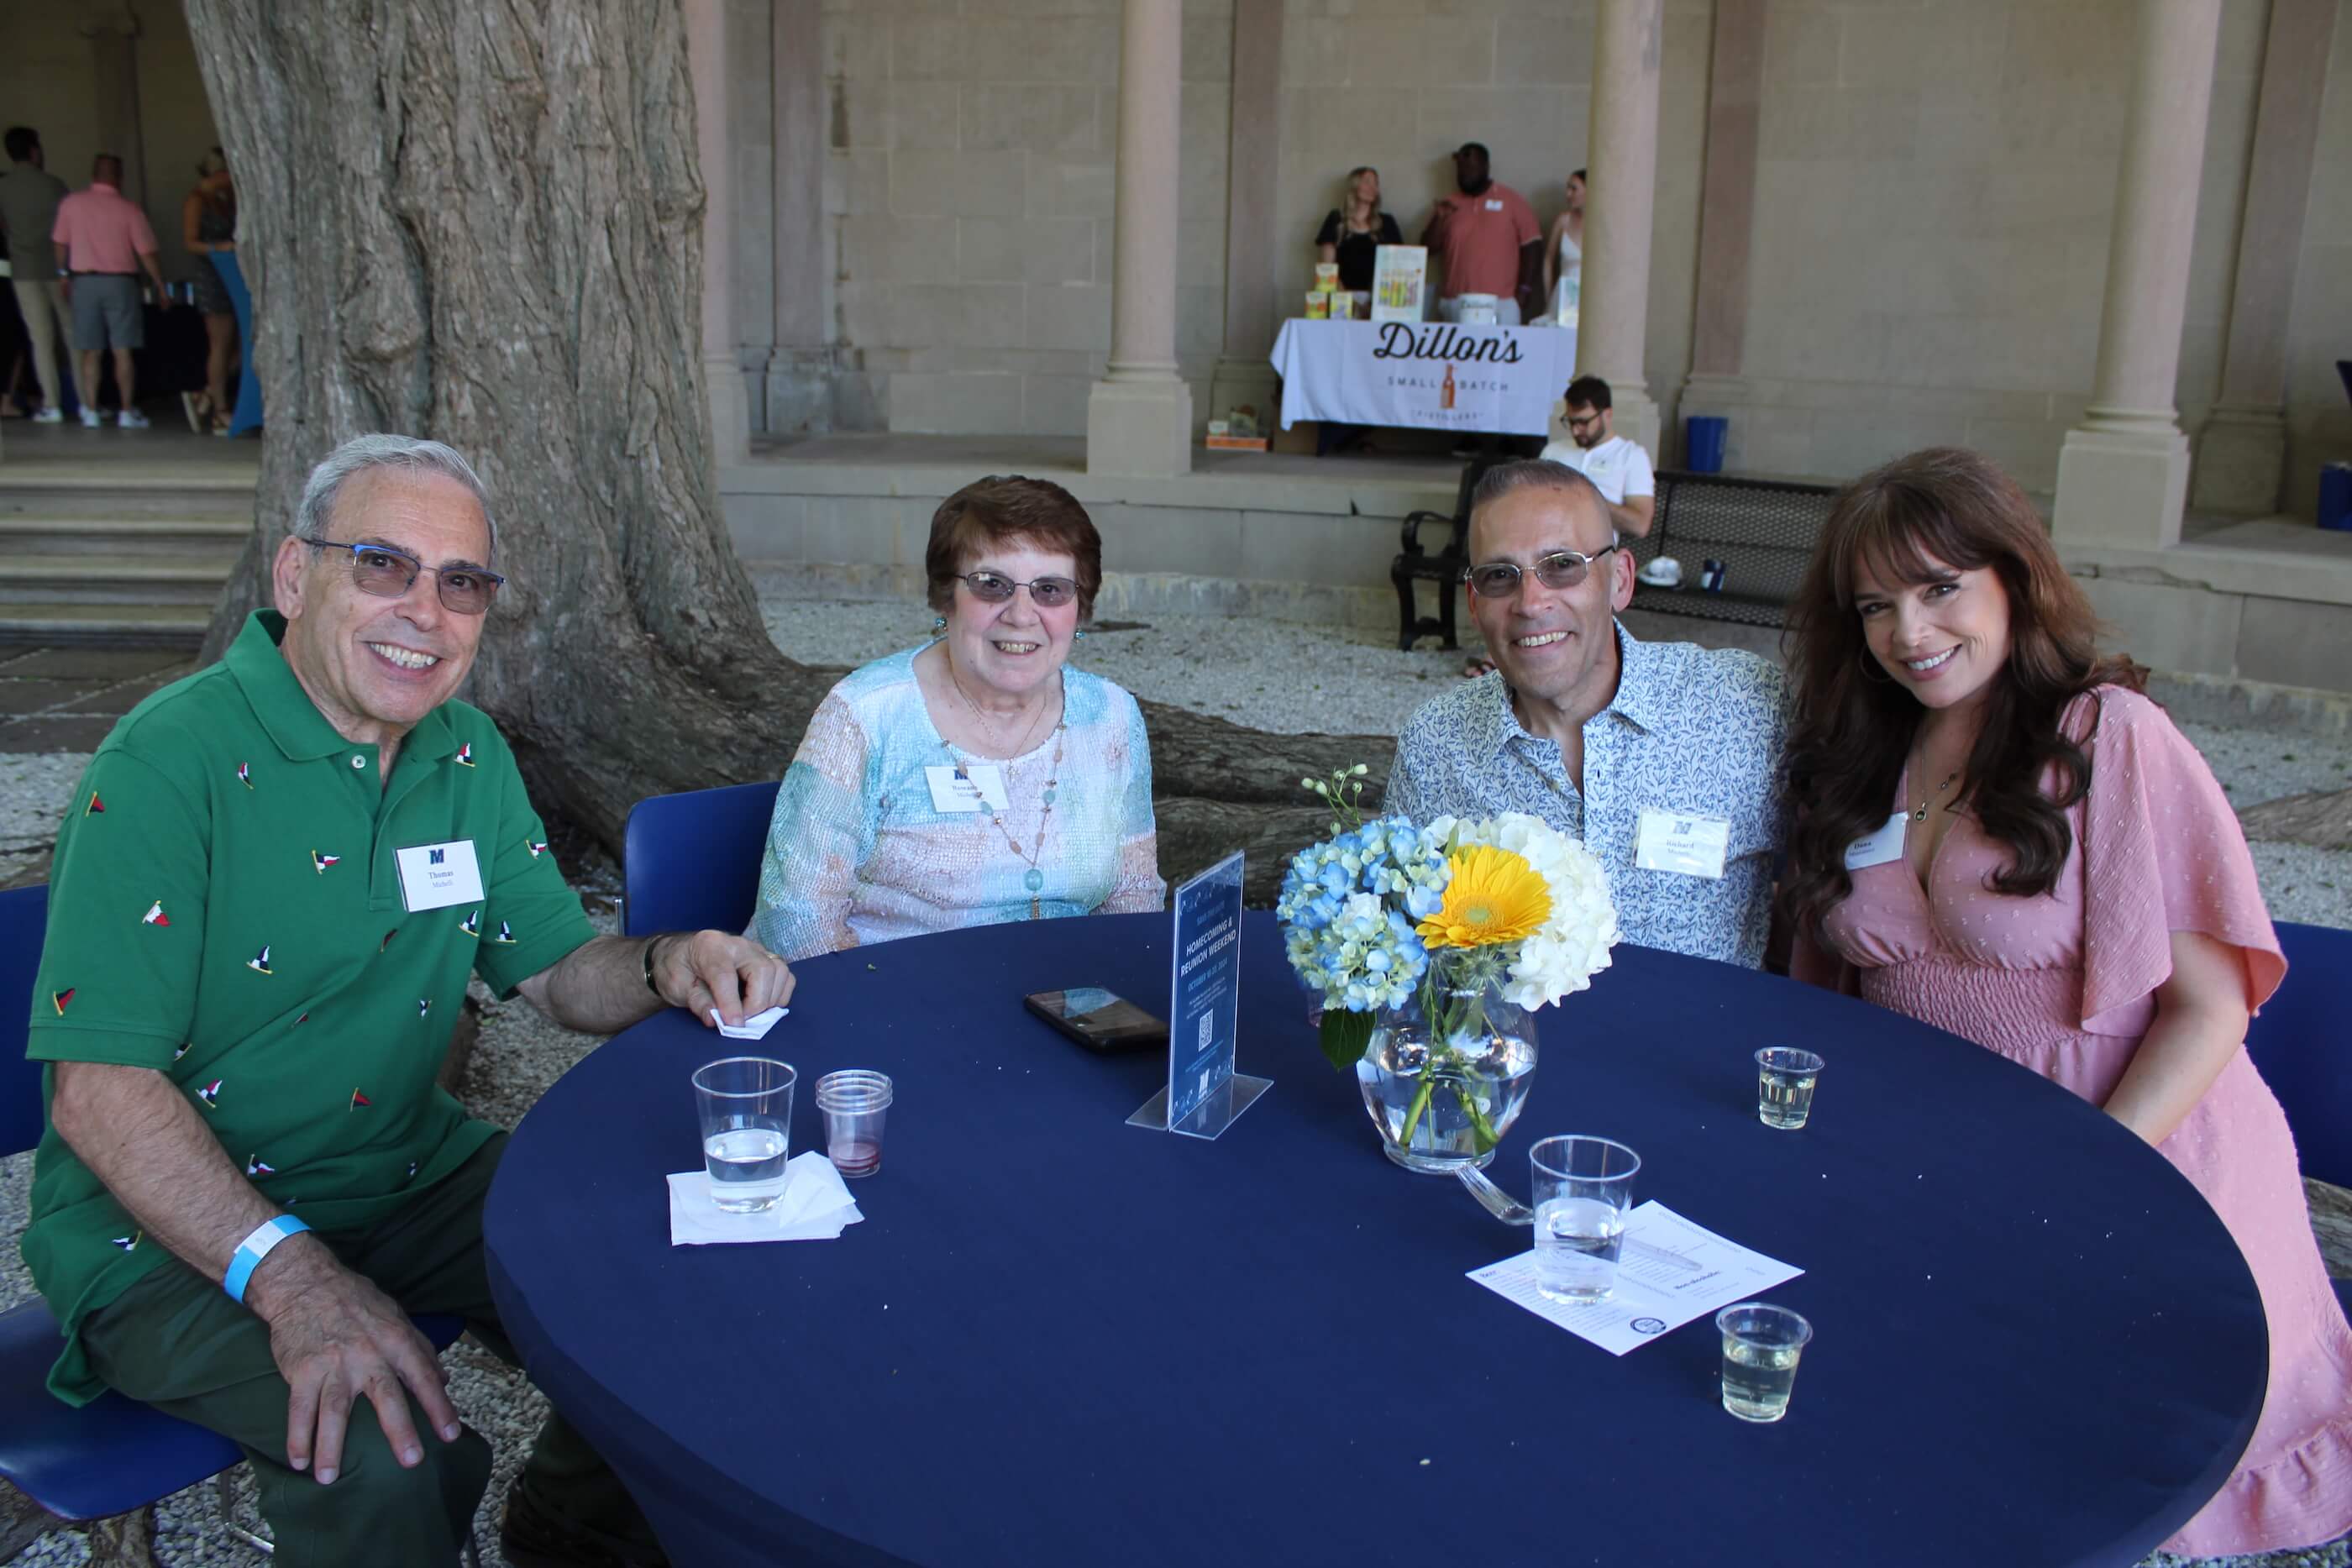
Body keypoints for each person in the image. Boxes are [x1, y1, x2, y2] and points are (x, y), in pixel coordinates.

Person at [24, 433, 797, 1566]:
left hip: (401, 1169)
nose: (424, 611)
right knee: (380, 1444)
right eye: (383, 564)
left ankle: (573, 1531)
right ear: (296, 575)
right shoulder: (167, 761)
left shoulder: (465, 751)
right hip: (164, 1227)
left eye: (462, 582)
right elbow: (98, 1089)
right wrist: (293, 1277)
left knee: (667, 1282)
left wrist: (665, 960)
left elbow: (552, 968)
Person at [1779, 447, 2352, 1558]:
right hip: (1941, 1162)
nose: (1909, 630)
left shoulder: (2107, 737)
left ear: (2014, 576)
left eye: (1940, 586)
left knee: (2092, 1474)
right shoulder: (1864, 746)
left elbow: (2210, 1006)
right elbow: (1827, 989)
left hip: (2134, 1147)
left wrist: (2090, 1170)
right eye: (1876, 605)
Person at [1386, 459, 1787, 967]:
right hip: (1518, 1046)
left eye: (1562, 565)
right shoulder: (1436, 743)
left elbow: (1827, 895)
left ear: (1620, 580)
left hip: (1697, 1042)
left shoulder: (1740, 707)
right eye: (1499, 576)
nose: (1531, 603)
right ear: (1473, 601)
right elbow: (1409, 945)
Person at [753, 475, 1165, 960]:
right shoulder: (865, 716)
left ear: (1080, 607)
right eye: (992, 585)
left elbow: (1133, 901)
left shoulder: (1112, 718)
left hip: (1062, 1007)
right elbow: (797, 925)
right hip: (889, 1006)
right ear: (946, 598)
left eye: (1050, 590)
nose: (1022, 614)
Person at [50, 153, 171, 428]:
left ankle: (91, 410)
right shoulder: (129, 209)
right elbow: (147, 252)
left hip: (84, 282)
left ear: (93, 174)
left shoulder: (71, 204)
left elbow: (59, 243)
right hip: (121, 283)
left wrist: (62, 275)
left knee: (90, 351)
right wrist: (161, 285)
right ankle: (127, 412)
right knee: (122, 350)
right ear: (119, 177)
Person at [1420, 143, 1541, 326]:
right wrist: (1439, 219)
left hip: (1501, 304)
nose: (1464, 173)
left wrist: (1524, 291)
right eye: (1460, 168)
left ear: (1486, 167)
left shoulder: (1511, 200)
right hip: (1456, 303)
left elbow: (1532, 245)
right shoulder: (1449, 204)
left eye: (1470, 167)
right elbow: (1427, 249)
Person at [0, 125, 72, 422]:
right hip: (57, 269)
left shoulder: (4, 187)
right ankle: (88, 403)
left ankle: (51, 405)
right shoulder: (55, 185)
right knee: (72, 336)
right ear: (34, 151)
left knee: (38, 339)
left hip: (22, 270)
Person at [1538, 375, 1653, 539]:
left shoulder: (1631, 455)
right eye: (1571, 422)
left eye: (1583, 422)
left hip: (1596, 555)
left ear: (1607, 414)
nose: (1575, 430)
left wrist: (1582, 499)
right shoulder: (1553, 451)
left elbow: (1639, 525)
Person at [179, 147, 238, 435]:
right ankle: (219, 410)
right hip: (211, 277)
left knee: (239, 347)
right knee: (220, 343)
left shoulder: (224, 200)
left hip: (233, 279)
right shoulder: (197, 201)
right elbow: (190, 242)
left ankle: (206, 394)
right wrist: (220, 248)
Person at [1314, 165, 1403, 296]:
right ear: (1354, 186)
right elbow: (1327, 267)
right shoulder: (1336, 219)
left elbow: (1398, 265)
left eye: (1376, 184)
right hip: (1341, 298)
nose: (1373, 188)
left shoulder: (1387, 222)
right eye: (1367, 182)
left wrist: (1374, 301)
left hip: (1380, 299)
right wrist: (1345, 299)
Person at [1541, 168, 1584, 326]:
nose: (1568, 194)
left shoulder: (1600, 224)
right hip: (1565, 291)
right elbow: (1548, 260)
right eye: (1568, 188)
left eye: (1574, 189)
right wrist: (1549, 295)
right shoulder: (1563, 221)